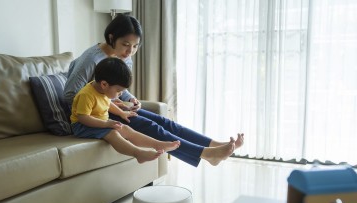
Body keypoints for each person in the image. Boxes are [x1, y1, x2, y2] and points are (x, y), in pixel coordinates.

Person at [64, 14, 244, 167]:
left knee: (164, 121)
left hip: (108, 106)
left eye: (135, 46)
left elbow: (120, 88)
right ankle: (206, 154)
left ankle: (212, 145)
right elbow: (69, 96)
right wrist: (108, 102)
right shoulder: (91, 59)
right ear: (111, 38)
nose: (130, 51)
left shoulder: (124, 58)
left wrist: (131, 100)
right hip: (90, 115)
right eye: (126, 44)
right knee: (151, 126)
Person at [70, 57, 180, 163]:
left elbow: (108, 104)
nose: (121, 94)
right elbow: (83, 118)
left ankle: (158, 144)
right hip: (82, 126)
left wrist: (122, 113)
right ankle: (138, 154)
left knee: (127, 129)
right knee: (113, 134)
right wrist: (106, 124)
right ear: (104, 84)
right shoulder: (87, 95)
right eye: (118, 91)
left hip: (99, 122)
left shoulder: (103, 91)